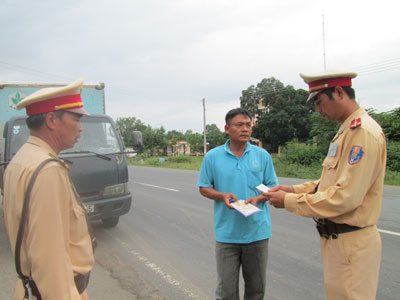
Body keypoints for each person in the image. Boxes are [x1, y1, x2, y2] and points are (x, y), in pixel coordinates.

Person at [262, 71, 387, 300]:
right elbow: (330, 181)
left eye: (319, 102)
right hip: (338, 242)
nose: (318, 111)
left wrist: (289, 201)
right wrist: (293, 190)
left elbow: (345, 196)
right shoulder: (346, 131)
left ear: (339, 92)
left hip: (352, 242)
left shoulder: (362, 132)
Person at [3, 78, 95, 300]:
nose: (81, 127)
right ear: (52, 120)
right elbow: (50, 260)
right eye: (77, 118)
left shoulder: (21, 159)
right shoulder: (47, 170)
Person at [197, 108, 279, 300]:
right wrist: (222, 196)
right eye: (239, 125)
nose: (245, 129)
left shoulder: (262, 156)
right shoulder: (212, 157)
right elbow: (203, 187)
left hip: (257, 233)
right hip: (227, 235)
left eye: (248, 125)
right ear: (227, 128)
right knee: (226, 291)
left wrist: (259, 198)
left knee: (256, 290)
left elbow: (273, 186)